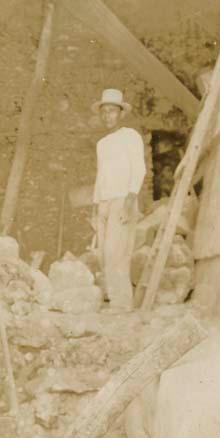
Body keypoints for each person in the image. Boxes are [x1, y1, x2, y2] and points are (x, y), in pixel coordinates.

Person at [91, 88, 146, 310]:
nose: (107, 116)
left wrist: (130, 200)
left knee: (118, 253)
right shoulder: (102, 144)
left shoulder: (131, 136)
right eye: (104, 112)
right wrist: (96, 206)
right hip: (104, 202)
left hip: (123, 199)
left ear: (121, 113)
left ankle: (123, 305)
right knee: (104, 254)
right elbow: (100, 175)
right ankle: (115, 301)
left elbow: (139, 169)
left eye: (112, 111)